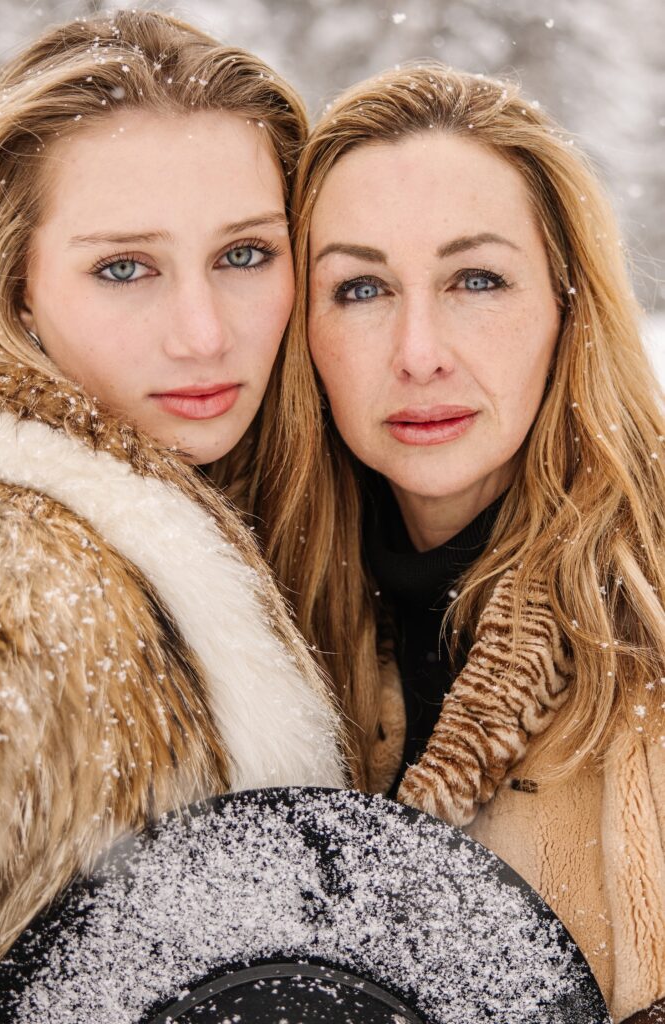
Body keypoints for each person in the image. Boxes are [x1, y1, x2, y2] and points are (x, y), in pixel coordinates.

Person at [251, 63, 665, 1022]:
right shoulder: (257, 628)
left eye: (475, 278)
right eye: (359, 288)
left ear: (568, 306)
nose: (419, 349)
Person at [0, 9, 345, 981]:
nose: (201, 333)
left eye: (243, 255)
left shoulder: (297, 516)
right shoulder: (16, 584)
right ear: (17, 288)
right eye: (123, 267)